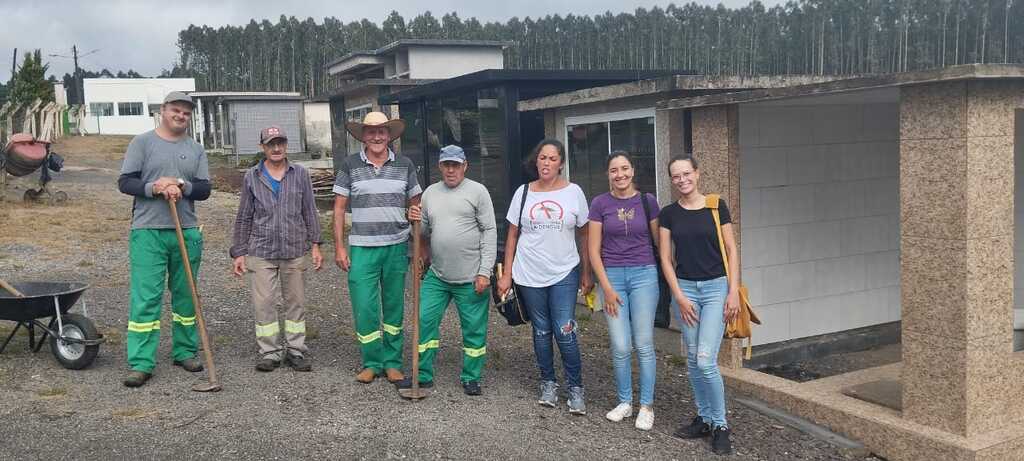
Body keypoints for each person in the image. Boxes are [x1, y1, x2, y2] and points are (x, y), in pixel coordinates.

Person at [116, 91, 211, 387]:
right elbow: (125, 182)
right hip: (148, 232)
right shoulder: (142, 143)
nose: (180, 116)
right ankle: (141, 362)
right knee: (146, 299)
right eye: (175, 110)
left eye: (185, 112)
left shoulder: (195, 149)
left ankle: (185, 351)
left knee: (186, 296)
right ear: (163, 111)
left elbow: (205, 189)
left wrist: (182, 185)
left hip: (186, 230)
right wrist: (155, 188)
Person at [496, 139, 593, 415]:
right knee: (541, 330)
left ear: (561, 163)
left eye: (552, 158)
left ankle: (575, 387)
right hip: (529, 273)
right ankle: (548, 383)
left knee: (564, 328)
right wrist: (507, 273)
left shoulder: (574, 192)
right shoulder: (523, 193)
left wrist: (587, 272)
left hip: (564, 271)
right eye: (542, 158)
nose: (546, 163)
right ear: (535, 161)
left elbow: (584, 233)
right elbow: (512, 235)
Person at [659, 154, 739, 455]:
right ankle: (704, 417)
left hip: (717, 288)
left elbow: (732, 249)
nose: (682, 180)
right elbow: (666, 258)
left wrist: (733, 292)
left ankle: (720, 425)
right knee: (693, 359)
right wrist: (678, 295)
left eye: (686, 173)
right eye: (676, 176)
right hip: (686, 291)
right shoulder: (669, 214)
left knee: (706, 359)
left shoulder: (716, 206)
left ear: (697, 173)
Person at [332, 111, 421, 384]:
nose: (377, 136)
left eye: (382, 131)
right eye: (371, 132)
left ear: (389, 135)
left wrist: (419, 246)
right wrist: (339, 248)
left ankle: (393, 362)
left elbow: (416, 205)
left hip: (396, 246)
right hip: (362, 247)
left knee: (394, 307)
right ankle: (371, 361)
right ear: (363, 136)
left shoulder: (405, 165)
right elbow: (338, 209)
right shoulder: (350, 165)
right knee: (365, 307)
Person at [404, 145, 496, 396]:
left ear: (465, 165)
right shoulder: (431, 193)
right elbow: (421, 231)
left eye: (456, 164)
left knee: (474, 330)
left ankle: (471, 377)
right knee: (423, 320)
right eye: (447, 165)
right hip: (438, 275)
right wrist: (412, 216)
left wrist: (484, 271)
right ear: (440, 167)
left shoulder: (478, 192)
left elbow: (490, 231)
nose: (451, 169)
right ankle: (422, 374)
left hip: (470, 276)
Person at [230, 126, 323, 372]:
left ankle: (296, 350)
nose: (276, 148)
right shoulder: (252, 176)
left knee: (296, 302)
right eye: (271, 144)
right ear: (263, 147)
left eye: (280, 143)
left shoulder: (300, 173)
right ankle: (269, 351)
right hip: (261, 250)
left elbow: (309, 211)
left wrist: (315, 244)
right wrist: (239, 251)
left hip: (294, 249)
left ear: (286, 145)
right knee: (264, 303)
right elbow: (244, 216)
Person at [587, 151, 660, 430]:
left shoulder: (648, 201)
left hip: (644, 275)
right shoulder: (599, 204)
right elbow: (593, 250)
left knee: (643, 343)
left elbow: (658, 242)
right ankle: (625, 402)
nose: (620, 175)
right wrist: (606, 287)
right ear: (608, 174)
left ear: (633, 171)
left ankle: (646, 406)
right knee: (620, 344)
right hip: (612, 277)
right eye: (614, 170)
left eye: (625, 168)